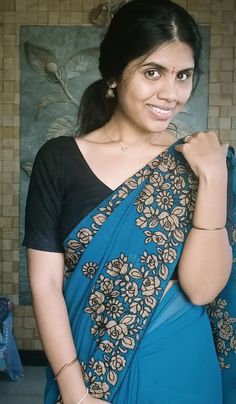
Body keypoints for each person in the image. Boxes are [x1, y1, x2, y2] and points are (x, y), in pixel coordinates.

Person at [23, 0, 236, 403]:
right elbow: (45, 282)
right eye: (152, 72)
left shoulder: (205, 161)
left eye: (183, 76)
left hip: (182, 364)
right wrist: (75, 393)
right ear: (115, 74)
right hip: (86, 367)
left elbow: (203, 289)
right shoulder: (60, 158)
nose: (169, 93)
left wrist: (212, 177)